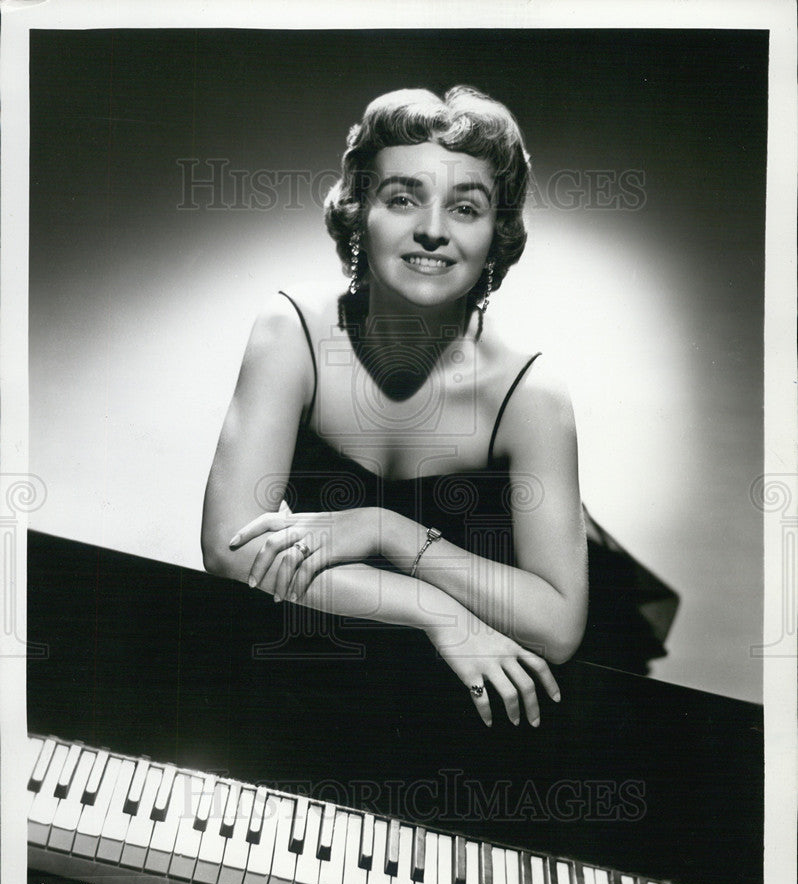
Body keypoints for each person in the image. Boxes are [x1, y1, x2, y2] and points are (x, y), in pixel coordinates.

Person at [201, 86, 674, 731]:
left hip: (505, 668)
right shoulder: (292, 330)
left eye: (466, 208)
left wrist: (384, 530)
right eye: (403, 198)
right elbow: (231, 552)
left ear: (495, 238)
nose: (432, 230)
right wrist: (433, 609)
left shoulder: (530, 395)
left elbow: (558, 628)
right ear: (358, 212)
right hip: (364, 634)